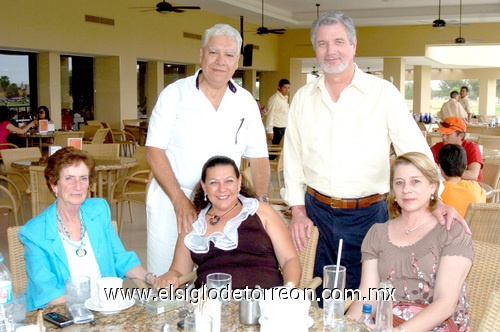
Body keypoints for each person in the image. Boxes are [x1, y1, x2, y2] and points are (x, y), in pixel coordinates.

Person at [282, 11, 467, 298]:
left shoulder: (383, 93)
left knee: (366, 301)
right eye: (322, 44)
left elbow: (414, 149)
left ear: (354, 45)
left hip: (368, 217)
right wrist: (296, 211)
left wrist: (437, 197)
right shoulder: (302, 99)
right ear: (315, 49)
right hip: (314, 215)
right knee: (316, 297)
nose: (331, 51)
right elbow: (292, 160)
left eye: (339, 42)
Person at [146, 23, 270, 276]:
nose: (220, 61)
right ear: (201, 54)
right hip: (173, 199)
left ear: (237, 62)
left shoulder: (245, 101)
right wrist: (180, 201)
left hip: (224, 203)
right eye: (214, 52)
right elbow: (154, 151)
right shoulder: (174, 95)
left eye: (229, 55)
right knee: (166, 277)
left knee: (218, 274)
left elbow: (258, 158)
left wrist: (261, 203)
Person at [346, 152, 472, 331]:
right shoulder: (377, 233)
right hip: (386, 323)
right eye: (399, 183)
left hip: (437, 326)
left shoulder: (452, 232)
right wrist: (347, 324)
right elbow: (368, 295)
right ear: (393, 191)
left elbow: (445, 303)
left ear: (432, 187)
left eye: (415, 181)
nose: (406, 189)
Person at [19, 147, 156, 311]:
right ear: (54, 185)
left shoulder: (98, 210)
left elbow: (120, 258)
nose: (78, 186)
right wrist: (92, 307)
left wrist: (149, 278)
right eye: (69, 178)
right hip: (63, 315)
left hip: (105, 309)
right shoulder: (35, 232)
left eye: (83, 178)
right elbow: (50, 295)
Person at [155, 156, 300, 290]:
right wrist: (171, 275)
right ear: (204, 187)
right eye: (214, 183)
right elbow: (179, 270)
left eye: (229, 181)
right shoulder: (194, 221)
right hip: (211, 306)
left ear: (239, 182)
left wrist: (288, 291)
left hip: (264, 304)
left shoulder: (261, 211)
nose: (222, 189)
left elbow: (289, 260)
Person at [438, 144, 486, 217]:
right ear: (465, 167)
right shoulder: (476, 188)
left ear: (440, 167)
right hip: (473, 228)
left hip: (449, 227)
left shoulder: (438, 191)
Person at [430, 116, 483, 182]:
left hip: (470, 189)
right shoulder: (437, 147)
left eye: (448, 135)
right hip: (445, 188)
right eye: (442, 134)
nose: (443, 137)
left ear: (461, 136)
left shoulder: (472, 148)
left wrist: (447, 172)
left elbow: (473, 175)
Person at [265, 78, 290, 146]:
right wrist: (270, 131)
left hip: (284, 127)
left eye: (288, 88)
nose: (287, 90)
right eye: (285, 88)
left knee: (282, 152)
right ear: (279, 87)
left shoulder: (285, 98)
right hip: (276, 129)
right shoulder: (275, 98)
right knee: (273, 152)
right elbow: (270, 114)